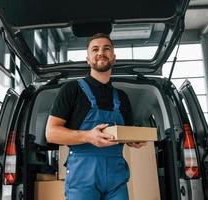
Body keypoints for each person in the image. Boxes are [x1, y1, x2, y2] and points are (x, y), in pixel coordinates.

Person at [46, 33, 146, 200]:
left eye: (106, 48)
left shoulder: (122, 97)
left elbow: (125, 134)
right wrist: (87, 136)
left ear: (113, 57)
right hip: (83, 177)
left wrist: (133, 139)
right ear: (88, 58)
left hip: (116, 178)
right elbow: (51, 133)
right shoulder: (72, 90)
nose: (101, 52)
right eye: (95, 49)